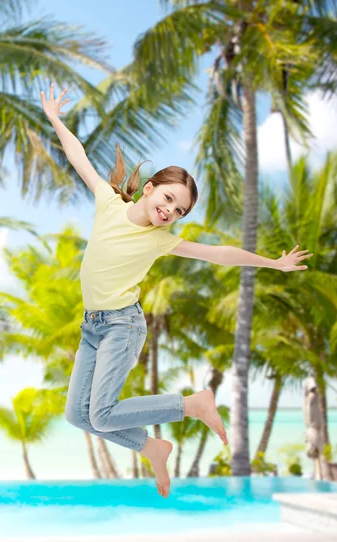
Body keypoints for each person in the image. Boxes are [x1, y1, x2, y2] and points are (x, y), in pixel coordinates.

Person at [40, 83, 313, 497]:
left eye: (179, 210)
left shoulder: (160, 239)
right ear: (149, 188)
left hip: (122, 326)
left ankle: (192, 405)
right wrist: (56, 120)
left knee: (103, 411)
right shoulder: (108, 202)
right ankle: (153, 447)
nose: (170, 211)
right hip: (92, 326)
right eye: (168, 198)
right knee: (79, 416)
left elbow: (219, 254)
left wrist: (272, 263)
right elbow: (79, 156)